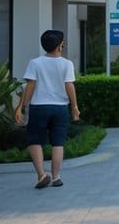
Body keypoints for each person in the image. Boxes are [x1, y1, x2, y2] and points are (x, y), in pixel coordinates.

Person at [13, 30, 79, 189]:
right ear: (59, 45)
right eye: (63, 42)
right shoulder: (67, 64)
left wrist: (20, 106)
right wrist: (75, 107)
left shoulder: (35, 63)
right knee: (58, 143)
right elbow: (69, 85)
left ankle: (42, 175)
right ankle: (56, 178)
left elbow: (30, 85)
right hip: (60, 109)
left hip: (39, 108)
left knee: (34, 140)